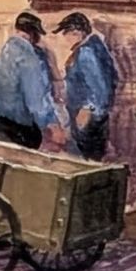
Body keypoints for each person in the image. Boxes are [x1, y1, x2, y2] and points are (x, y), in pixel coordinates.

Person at [0, 11, 67, 150]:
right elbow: (35, 98)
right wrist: (52, 125)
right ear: (34, 34)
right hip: (19, 128)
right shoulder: (28, 57)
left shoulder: (6, 51)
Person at [54, 12, 119, 161]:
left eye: (66, 33)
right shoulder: (93, 47)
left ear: (77, 32)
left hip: (87, 117)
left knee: (86, 157)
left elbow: (99, 87)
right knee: (92, 156)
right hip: (91, 115)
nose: (64, 38)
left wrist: (88, 109)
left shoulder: (86, 53)